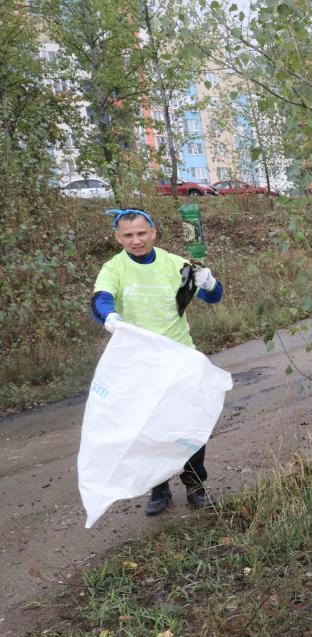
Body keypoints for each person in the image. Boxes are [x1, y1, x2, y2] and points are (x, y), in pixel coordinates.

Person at [91, 208, 224, 514]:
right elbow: (100, 298)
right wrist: (108, 315)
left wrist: (208, 282)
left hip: (179, 357)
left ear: (153, 233)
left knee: (189, 425)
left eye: (141, 233)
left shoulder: (175, 264)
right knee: (148, 427)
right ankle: (159, 489)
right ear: (118, 238)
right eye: (128, 235)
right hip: (139, 363)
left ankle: (196, 487)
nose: (135, 240)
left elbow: (213, 298)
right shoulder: (114, 268)